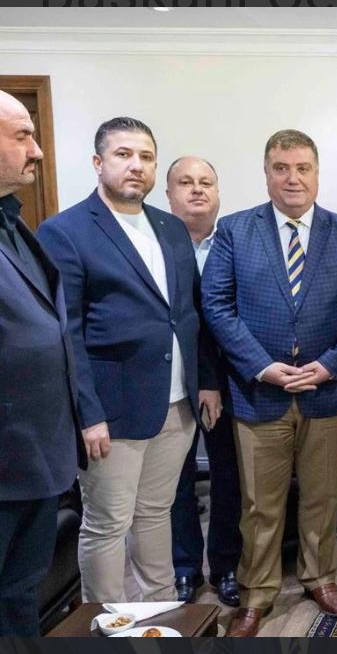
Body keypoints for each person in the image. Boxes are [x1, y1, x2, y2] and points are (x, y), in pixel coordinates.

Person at [201, 129, 337, 637]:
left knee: (322, 497)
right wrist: (261, 366)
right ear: (267, 174)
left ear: (317, 174)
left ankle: (320, 577)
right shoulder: (235, 231)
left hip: (328, 391)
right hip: (259, 392)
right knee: (259, 505)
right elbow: (217, 304)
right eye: (281, 168)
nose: (293, 178)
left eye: (303, 168)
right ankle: (256, 594)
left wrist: (332, 363)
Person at [37, 117, 222, 604]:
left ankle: (161, 611)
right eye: (123, 154)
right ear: (98, 163)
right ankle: (105, 623)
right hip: (112, 412)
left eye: (145, 156)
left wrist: (205, 381)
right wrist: (87, 414)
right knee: (107, 524)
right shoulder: (65, 232)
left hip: (177, 404)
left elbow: (190, 313)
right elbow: (67, 333)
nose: (136, 165)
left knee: (155, 513)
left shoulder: (171, 227)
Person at [0, 90, 81, 636]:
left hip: (33, 455)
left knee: (19, 592)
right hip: (8, 459)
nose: (38, 150)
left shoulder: (15, 222)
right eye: (22, 135)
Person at [165, 156, 242, 608]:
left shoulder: (235, 240)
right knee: (176, 481)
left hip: (230, 382)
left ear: (217, 193)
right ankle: (185, 569)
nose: (197, 189)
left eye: (206, 182)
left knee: (228, 477)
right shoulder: (155, 243)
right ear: (168, 194)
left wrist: (213, 378)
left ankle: (226, 566)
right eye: (186, 182)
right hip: (172, 383)